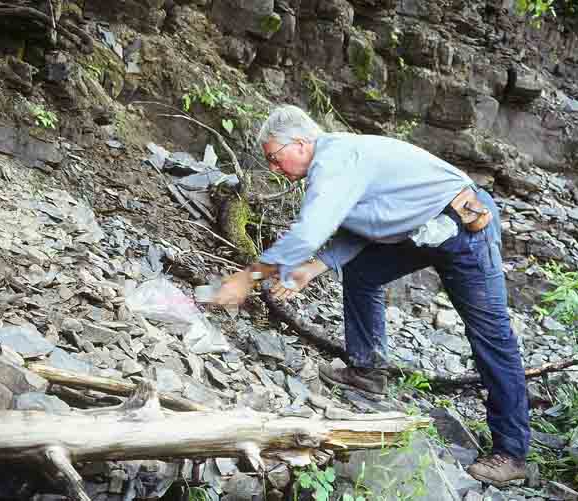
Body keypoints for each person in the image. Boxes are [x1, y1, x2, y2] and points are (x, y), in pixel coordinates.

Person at [213, 104, 530, 484]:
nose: (274, 169)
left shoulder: (336, 159)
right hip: (423, 229)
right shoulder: (335, 163)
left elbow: (308, 233)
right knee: (362, 273)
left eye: (274, 158)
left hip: (465, 227)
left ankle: (511, 454)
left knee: (490, 336)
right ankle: (366, 370)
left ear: (300, 143)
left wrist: (247, 277)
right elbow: (367, 223)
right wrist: (314, 268)